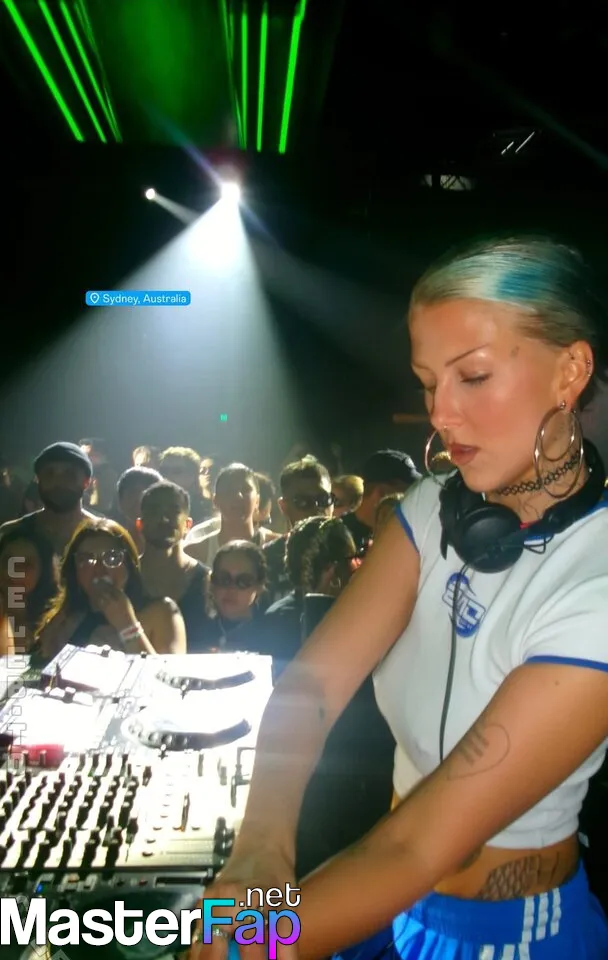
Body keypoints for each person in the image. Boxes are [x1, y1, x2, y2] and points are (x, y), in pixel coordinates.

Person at [189, 235, 608, 960]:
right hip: (385, 907)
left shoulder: (596, 576)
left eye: (472, 376)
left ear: (569, 370)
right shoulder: (429, 510)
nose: (440, 415)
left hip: (510, 938)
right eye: (427, 382)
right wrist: (260, 848)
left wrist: (250, 941)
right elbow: (311, 686)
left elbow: (417, 846)